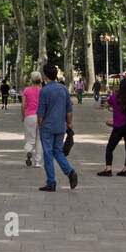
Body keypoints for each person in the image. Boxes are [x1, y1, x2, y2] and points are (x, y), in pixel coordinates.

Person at [35, 63, 78, 191]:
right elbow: (69, 110)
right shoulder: (63, 89)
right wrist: (68, 124)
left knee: (48, 153)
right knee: (58, 151)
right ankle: (69, 171)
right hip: (60, 126)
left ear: (45, 76)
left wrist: (39, 125)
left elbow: (41, 113)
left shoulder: (44, 91)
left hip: (47, 127)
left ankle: (51, 182)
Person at [99, 76, 126, 176]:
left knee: (110, 148)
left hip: (118, 126)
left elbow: (106, 105)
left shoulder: (115, 97)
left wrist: (113, 106)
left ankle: (108, 169)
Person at [21, 71, 44, 169]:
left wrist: (23, 116)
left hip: (29, 116)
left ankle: (29, 151)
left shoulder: (26, 90)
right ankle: (38, 162)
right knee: (39, 140)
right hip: (41, 116)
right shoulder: (43, 91)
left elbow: (23, 105)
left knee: (30, 138)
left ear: (31, 79)